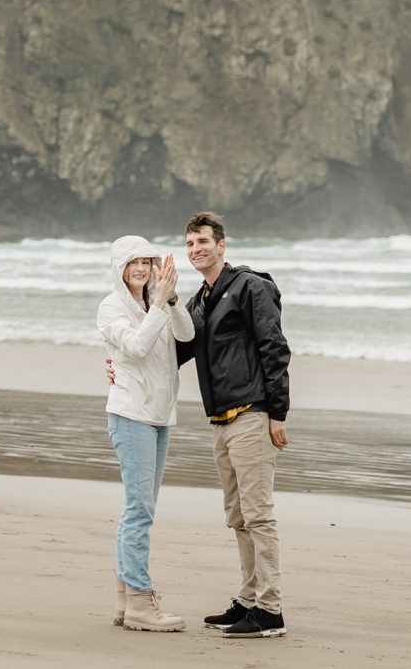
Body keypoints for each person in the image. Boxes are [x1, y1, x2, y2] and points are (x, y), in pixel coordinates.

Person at [107, 213, 291, 639]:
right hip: (221, 421)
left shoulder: (251, 287)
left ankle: (270, 610)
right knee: (238, 517)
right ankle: (248, 600)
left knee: (258, 516)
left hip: (252, 414)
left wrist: (278, 412)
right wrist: (117, 365)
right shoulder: (201, 300)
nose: (196, 250)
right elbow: (169, 352)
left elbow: (274, 348)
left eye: (203, 242)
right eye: (190, 244)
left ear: (221, 245)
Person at [97, 234, 195, 633]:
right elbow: (136, 347)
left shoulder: (155, 301)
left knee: (139, 509)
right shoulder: (110, 307)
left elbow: (187, 335)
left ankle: (126, 599)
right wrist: (158, 306)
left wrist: (170, 299)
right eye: (133, 262)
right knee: (140, 510)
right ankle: (140, 599)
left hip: (159, 416)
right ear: (120, 268)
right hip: (130, 415)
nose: (141, 268)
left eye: (147, 262)